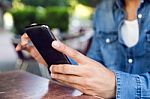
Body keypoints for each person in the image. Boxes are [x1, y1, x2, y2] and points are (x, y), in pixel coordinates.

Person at [16, 0, 150, 98]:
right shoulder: (103, 10)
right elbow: (94, 65)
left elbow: (110, 81)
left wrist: (116, 85)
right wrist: (55, 58)